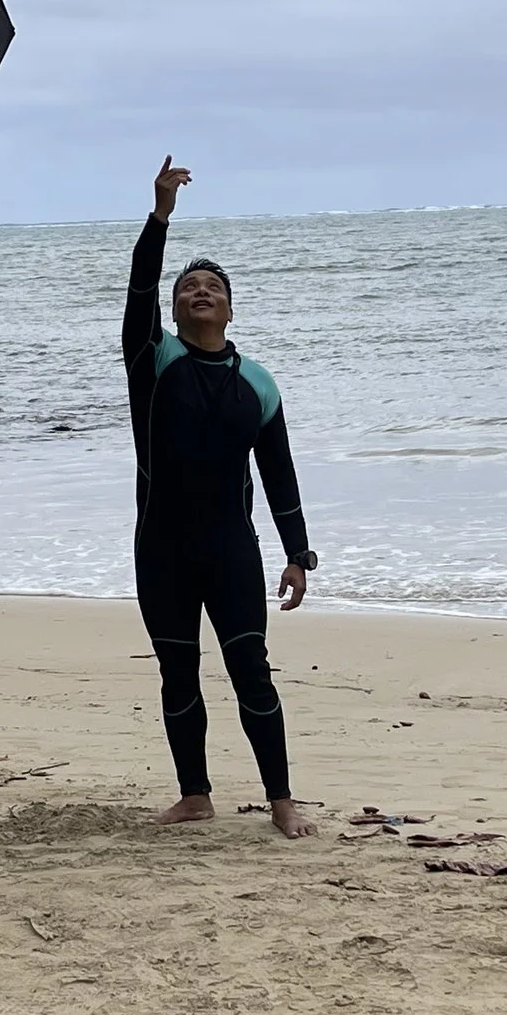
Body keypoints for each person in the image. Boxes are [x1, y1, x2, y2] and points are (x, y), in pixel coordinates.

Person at [123, 157, 319, 839]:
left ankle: (282, 799)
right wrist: (159, 217)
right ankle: (194, 793)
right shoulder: (153, 362)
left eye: (212, 286)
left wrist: (298, 553)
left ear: (230, 307)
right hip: (163, 548)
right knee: (178, 672)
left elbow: (279, 469)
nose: (199, 291)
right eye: (188, 287)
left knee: (250, 672)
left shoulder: (258, 383)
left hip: (232, 548)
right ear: (176, 309)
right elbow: (139, 289)